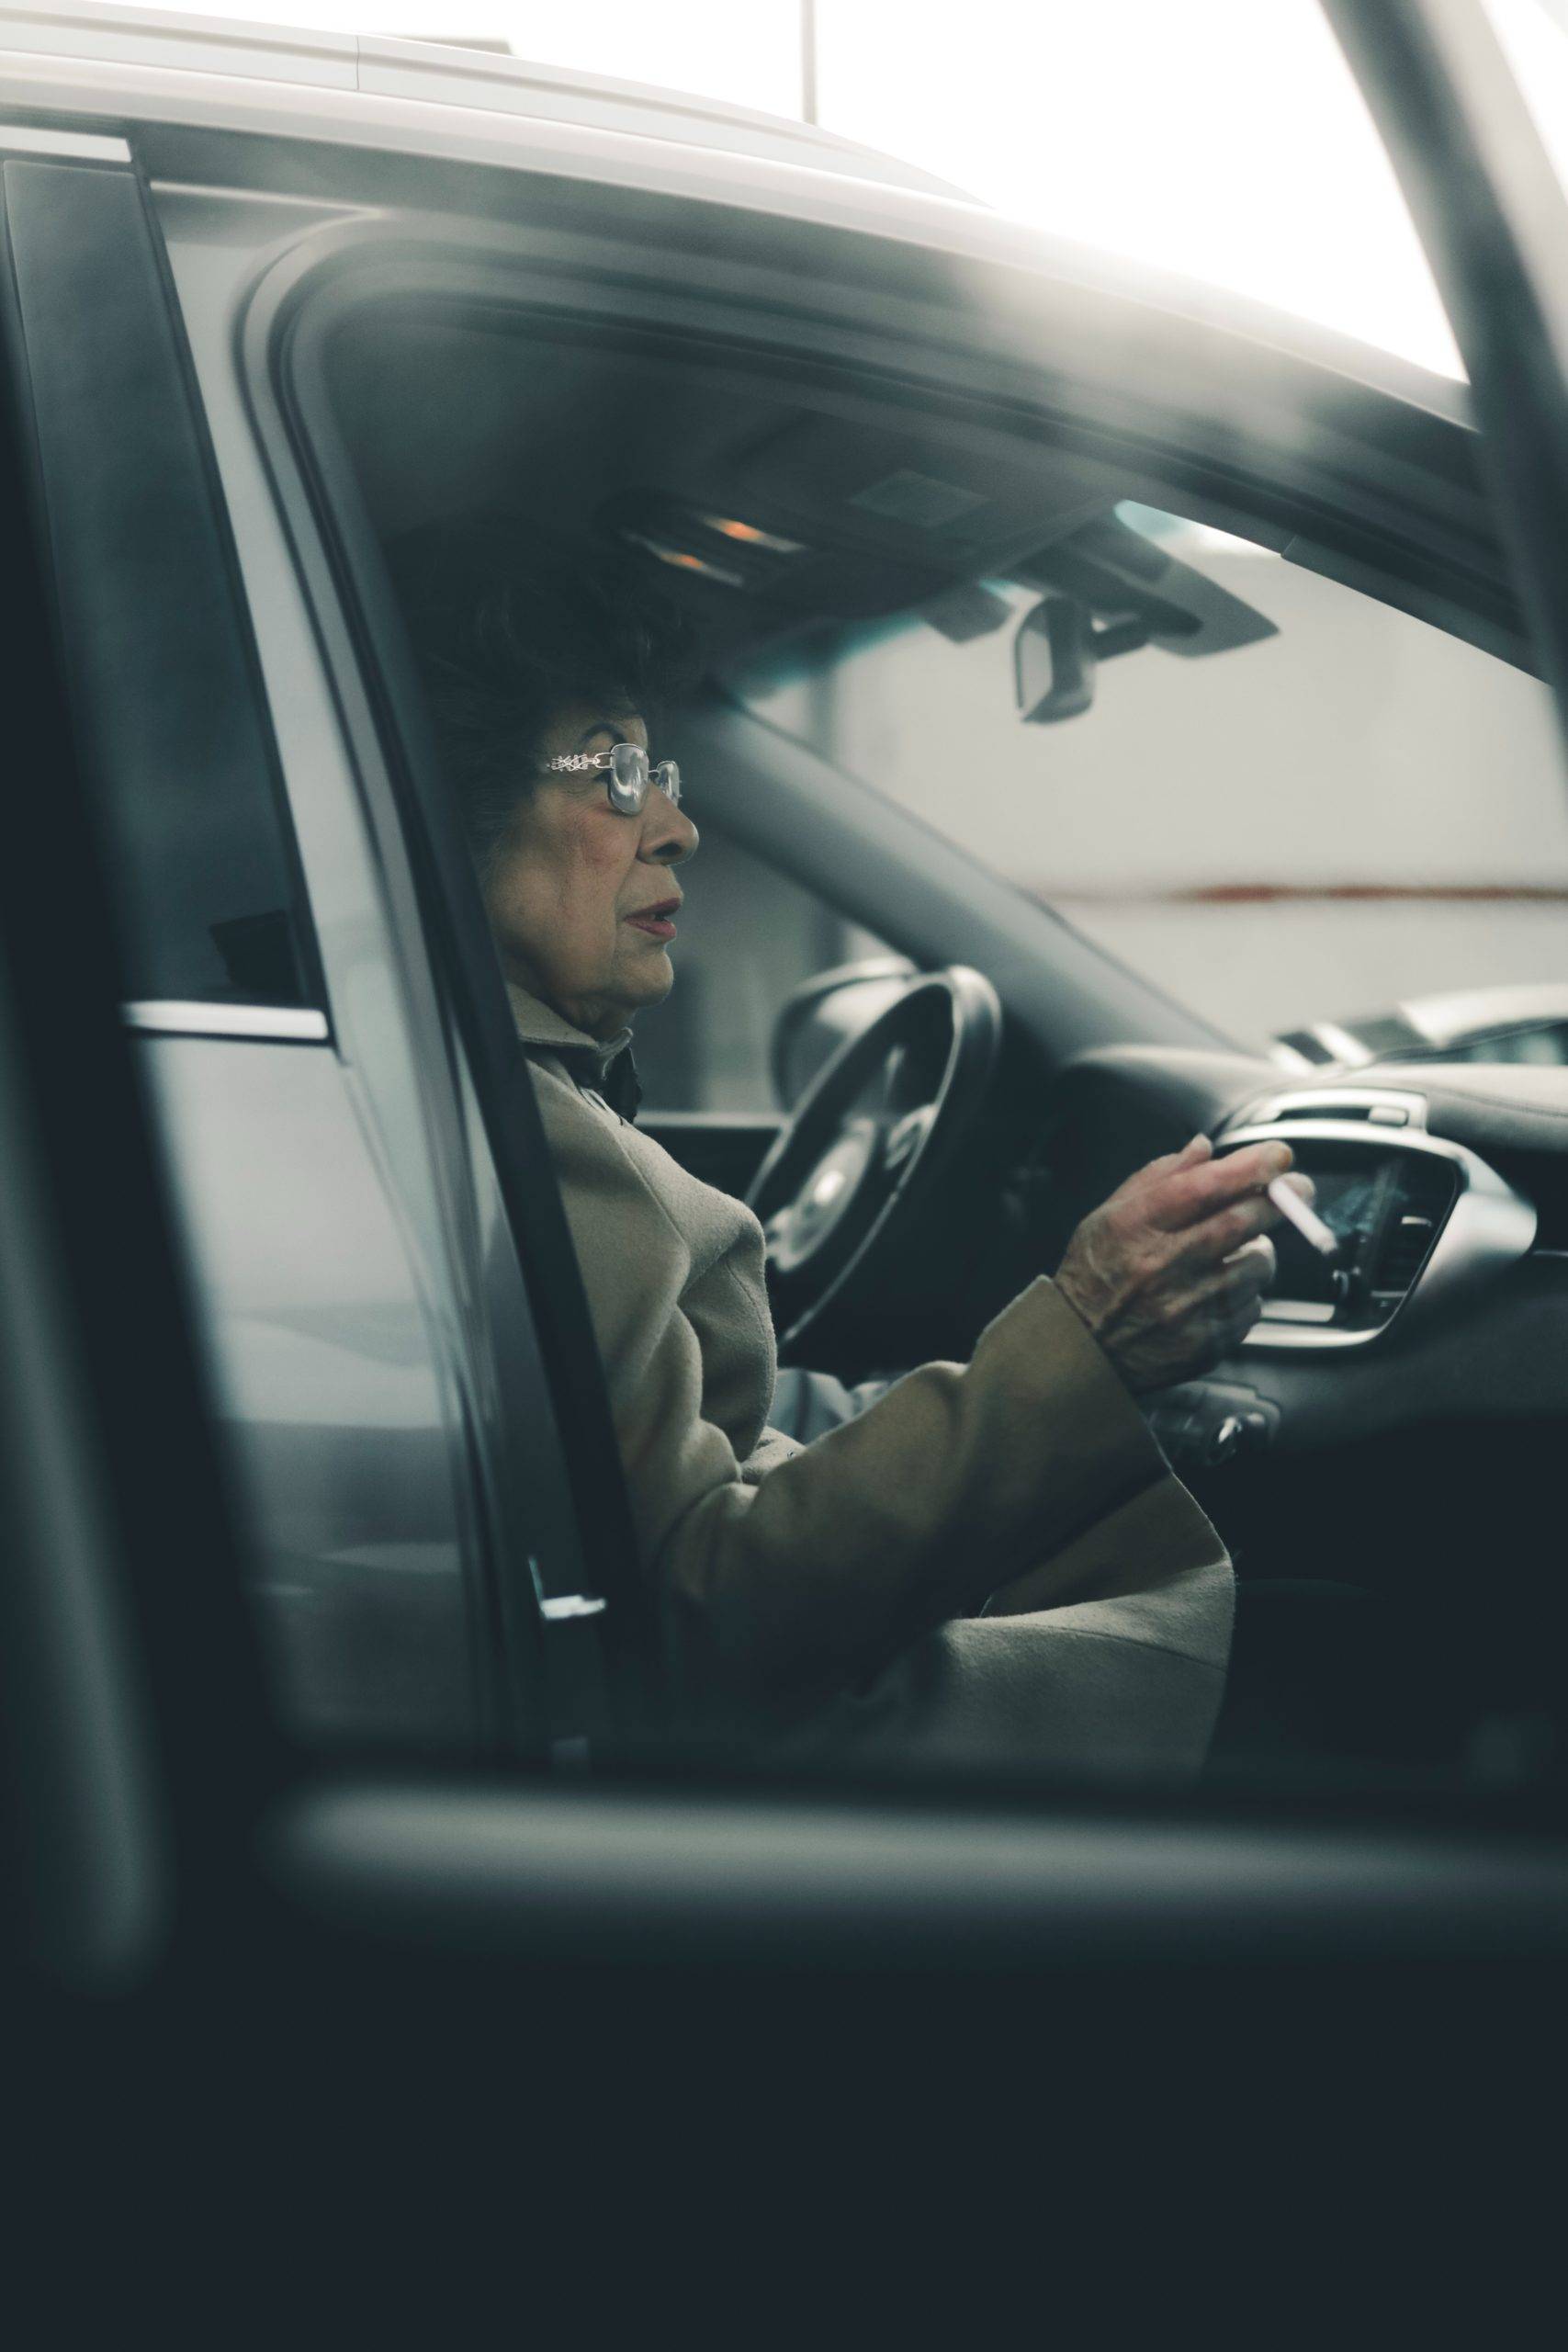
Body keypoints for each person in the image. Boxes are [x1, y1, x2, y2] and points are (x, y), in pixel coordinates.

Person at [404, 531, 1303, 1778]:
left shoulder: (502, 1094)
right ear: (444, 817)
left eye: (659, 768)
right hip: (773, 1786)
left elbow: (698, 1447)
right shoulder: (526, 1135)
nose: (677, 826)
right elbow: (696, 1615)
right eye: (614, 775)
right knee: (1308, 1690)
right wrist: (1088, 1339)